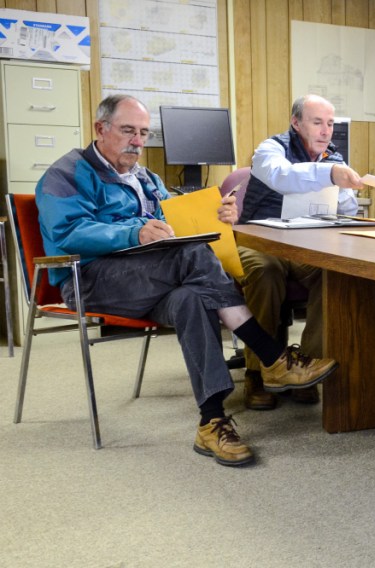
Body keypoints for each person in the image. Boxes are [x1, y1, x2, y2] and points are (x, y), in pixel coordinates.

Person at [35, 94, 339, 467]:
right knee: (192, 255)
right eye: (128, 130)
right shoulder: (66, 173)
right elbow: (68, 232)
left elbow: (176, 218)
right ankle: (271, 354)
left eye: (143, 133)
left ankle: (211, 421)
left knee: (192, 297)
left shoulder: (146, 178)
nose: (137, 141)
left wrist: (216, 214)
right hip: (92, 279)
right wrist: (135, 233)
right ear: (101, 129)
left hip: (150, 277)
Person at [236, 94, 364, 410]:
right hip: (260, 241)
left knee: (331, 272)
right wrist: (329, 175)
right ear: (296, 123)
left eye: (330, 124)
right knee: (264, 272)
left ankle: (306, 366)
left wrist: (345, 191)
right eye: (317, 122)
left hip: (307, 246)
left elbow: (347, 208)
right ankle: (258, 370)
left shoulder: (334, 158)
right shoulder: (271, 149)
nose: (326, 131)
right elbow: (282, 176)